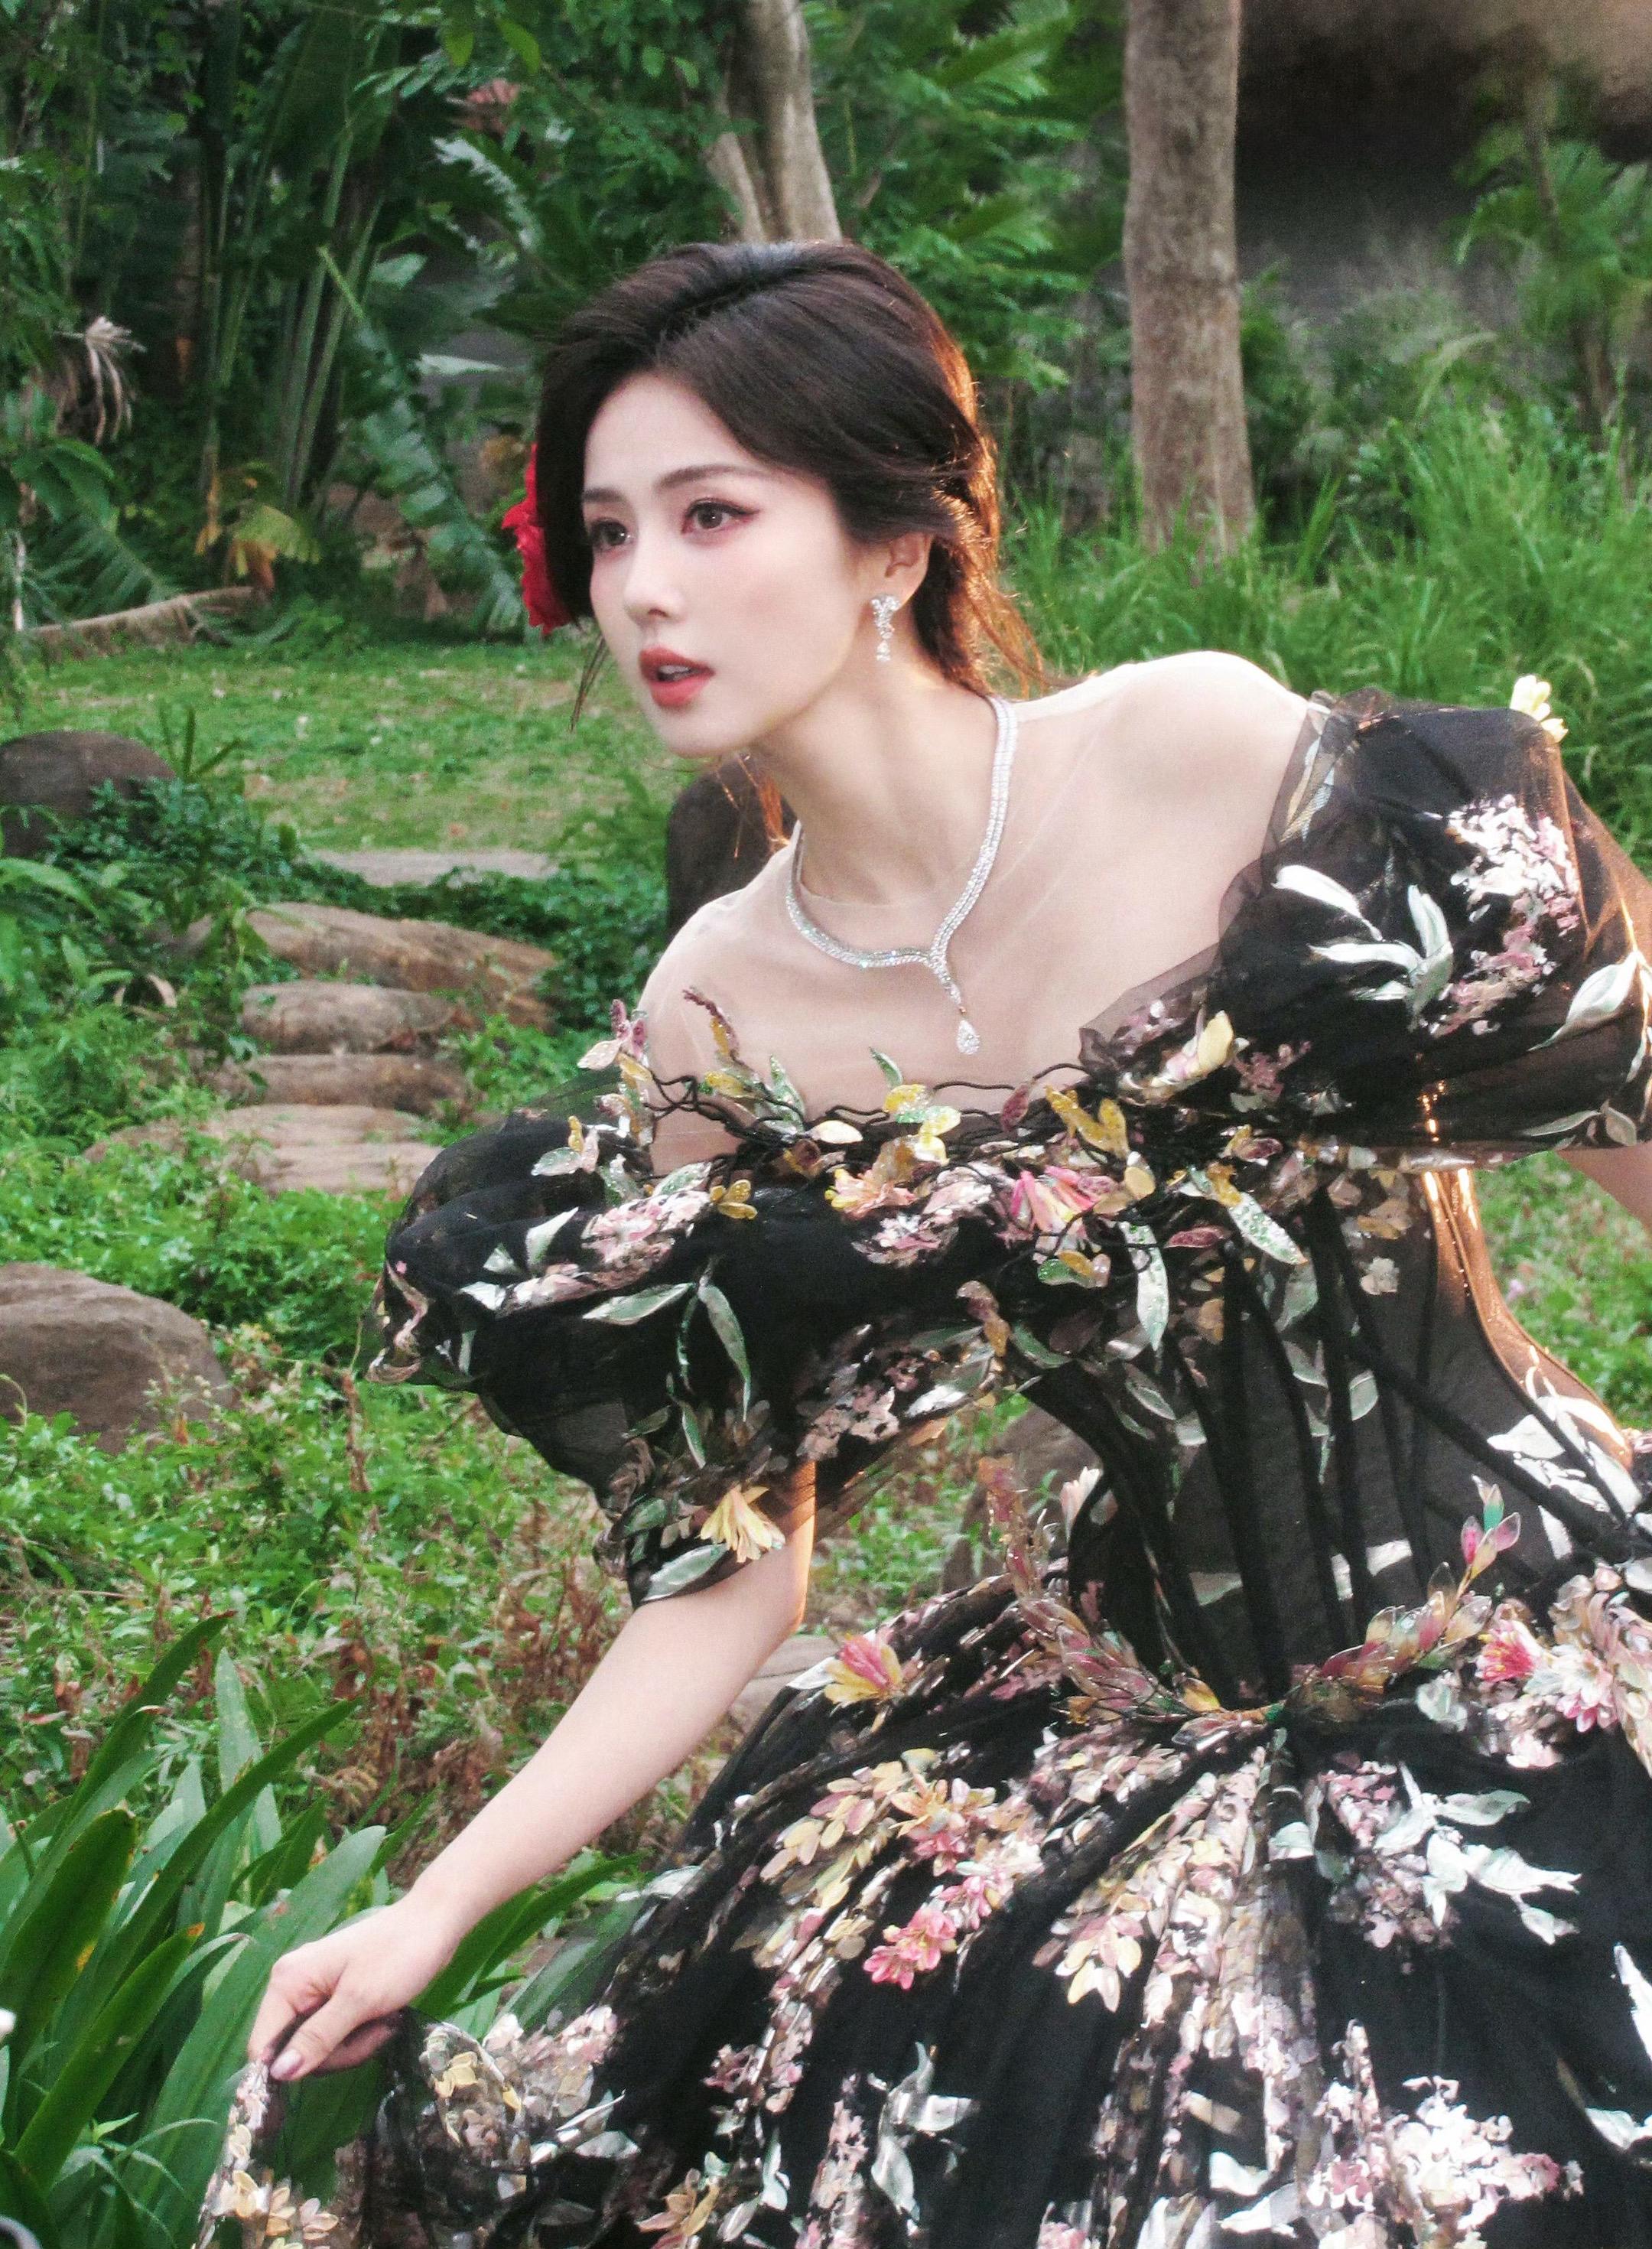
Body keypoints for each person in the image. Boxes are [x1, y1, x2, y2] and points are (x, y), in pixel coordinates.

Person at [199, 239, 1652, 2249]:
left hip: (1543, 1618)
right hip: (1158, 1714)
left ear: (895, 544)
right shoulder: (715, 1012)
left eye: (713, 516)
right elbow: (734, 1554)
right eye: (609, 532)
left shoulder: (1195, 750)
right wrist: (439, 1900)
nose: (645, 588)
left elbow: (1626, 1088)